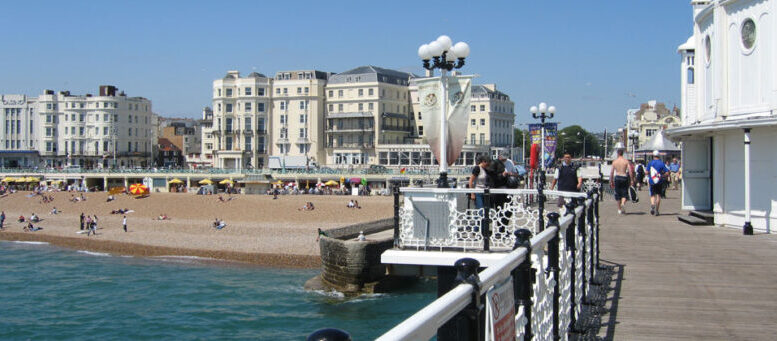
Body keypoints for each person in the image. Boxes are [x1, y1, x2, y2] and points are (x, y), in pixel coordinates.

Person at [609, 149, 634, 215]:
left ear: (617, 154)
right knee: (624, 193)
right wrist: (631, 180)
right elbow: (630, 171)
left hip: (617, 177)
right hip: (624, 177)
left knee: (618, 194)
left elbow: (611, 172)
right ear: (623, 154)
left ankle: (619, 209)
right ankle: (623, 203)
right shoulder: (626, 161)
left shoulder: (615, 162)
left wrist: (611, 181)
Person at [647, 150, 670, 216]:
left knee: (652, 195)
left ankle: (652, 204)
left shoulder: (650, 163)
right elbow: (667, 172)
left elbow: (646, 172)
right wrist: (662, 176)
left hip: (652, 181)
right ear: (659, 156)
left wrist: (650, 173)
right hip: (659, 181)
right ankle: (657, 210)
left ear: (653, 156)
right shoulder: (661, 163)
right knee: (658, 195)